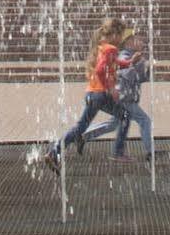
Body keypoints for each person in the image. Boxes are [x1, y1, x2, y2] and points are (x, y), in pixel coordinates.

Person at [44, 17, 130, 172]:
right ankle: (118, 152)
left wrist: (129, 63)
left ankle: (55, 151)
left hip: (93, 94)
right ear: (115, 34)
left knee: (82, 126)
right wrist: (110, 89)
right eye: (121, 34)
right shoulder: (111, 48)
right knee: (123, 116)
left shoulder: (102, 47)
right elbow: (99, 69)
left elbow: (114, 63)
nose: (122, 38)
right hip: (100, 95)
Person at [85, 30, 154, 163]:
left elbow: (139, 79)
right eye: (138, 40)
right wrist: (136, 63)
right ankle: (150, 151)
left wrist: (148, 70)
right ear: (129, 43)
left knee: (112, 124)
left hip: (127, 96)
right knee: (144, 120)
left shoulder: (134, 56)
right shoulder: (123, 55)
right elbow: (125, 73)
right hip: (124, 97)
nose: (142, 42)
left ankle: (83, 136)